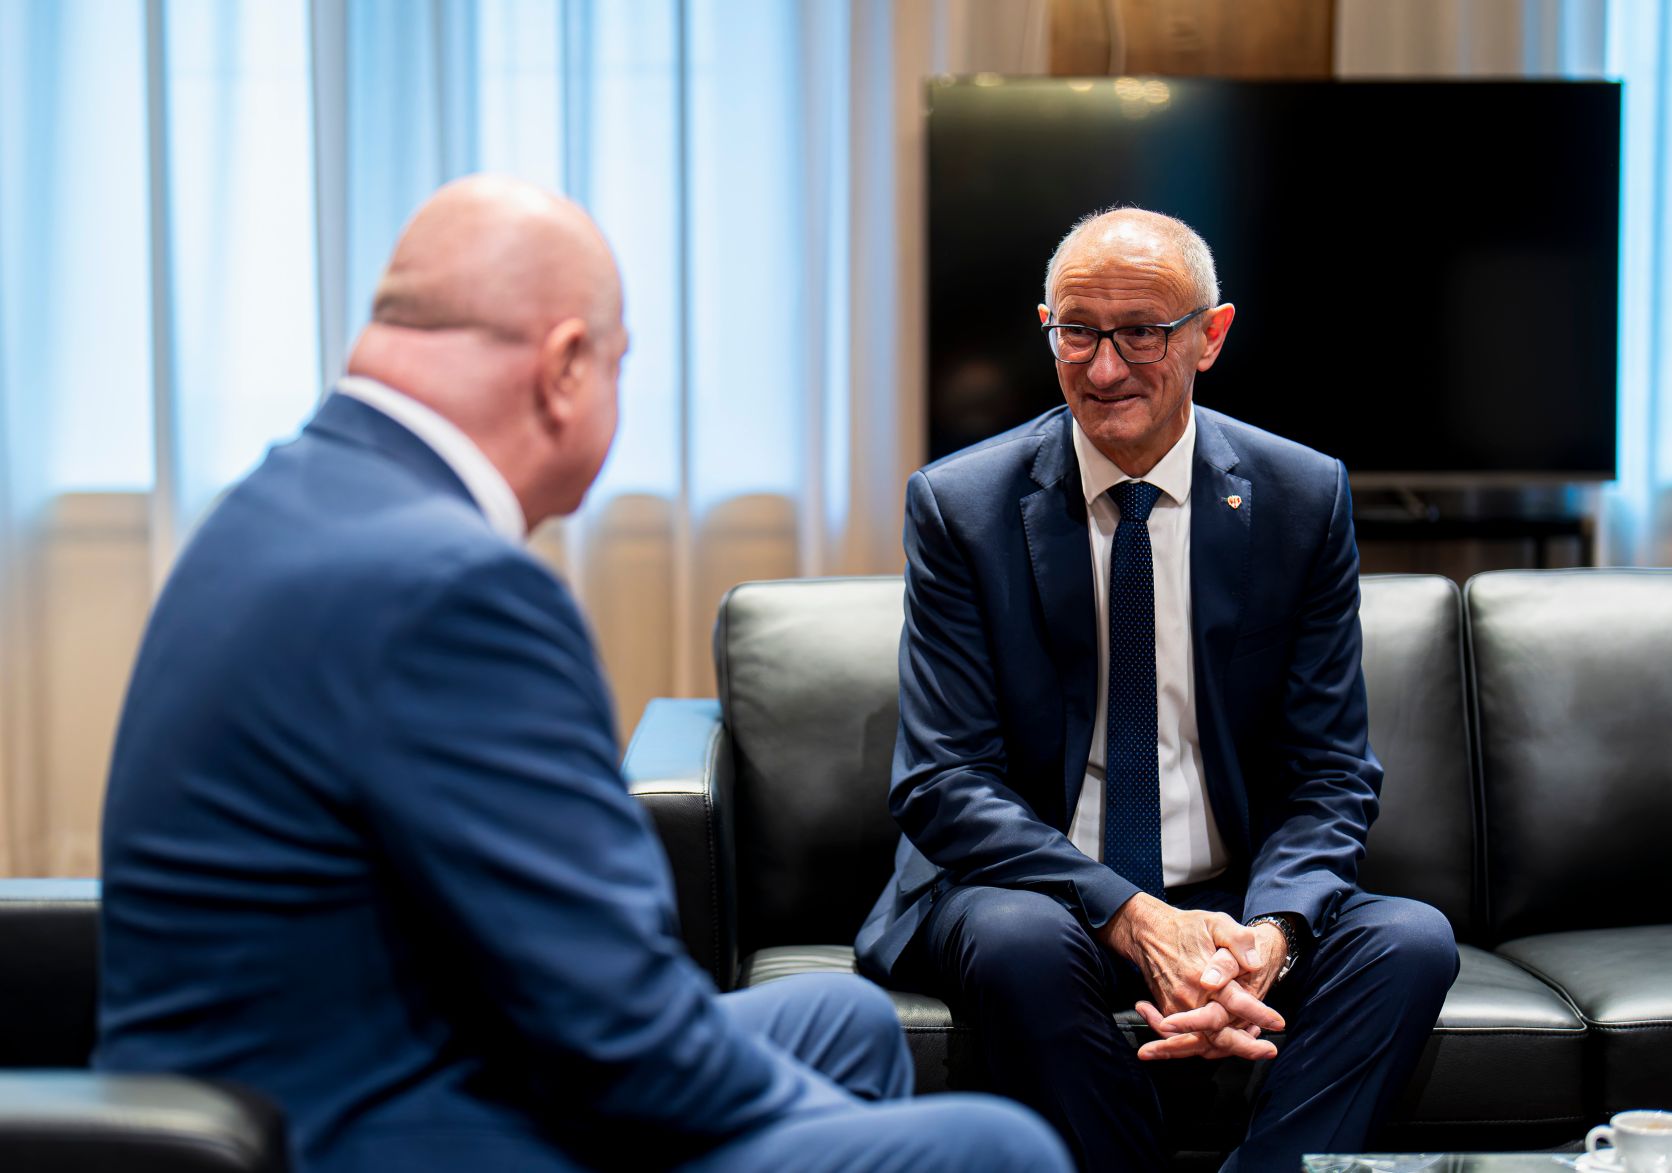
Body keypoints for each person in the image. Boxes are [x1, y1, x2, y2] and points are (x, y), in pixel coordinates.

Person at [95, 175, 1069, 1173]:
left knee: (844, 1020)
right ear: (565, 366)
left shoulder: (288, 498)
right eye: (618, 363)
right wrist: (822, 1131)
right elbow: (625, 1044)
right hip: (376, 1126)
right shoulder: (453, 585)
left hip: (313, 1066)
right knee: (994, 1147)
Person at [855, 207, 1458, 1171]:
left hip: (1230, 892)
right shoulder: (960, 506)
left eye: (1142, 332)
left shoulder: (1300, 496)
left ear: (1210, 335)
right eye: (1078, 332)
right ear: (1046, 325)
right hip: (1046, 890)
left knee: (1412, 940)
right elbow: (941, 778)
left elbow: (1331, 769)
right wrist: (1132, 916)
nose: (1103, 368)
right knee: (1014, 940)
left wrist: (1270, 930)